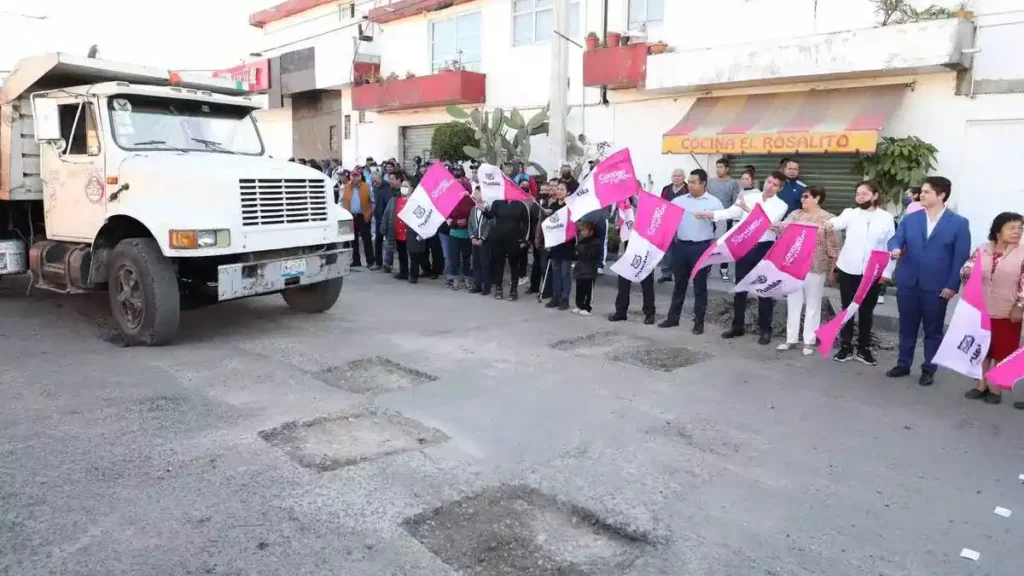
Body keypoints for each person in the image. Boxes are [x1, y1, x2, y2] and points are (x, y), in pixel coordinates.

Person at [887, 176, 972, 387]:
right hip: (908, 281)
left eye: (926, 192)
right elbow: (896, 238)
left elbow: (960, 257)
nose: (921, 195)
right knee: (907, 326)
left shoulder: (959, 223)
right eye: (921, 192)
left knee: (933, 330)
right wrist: (895, 248)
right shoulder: (911, 219)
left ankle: (929, 368)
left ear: (941, 194)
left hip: (936, 286)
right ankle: (903, 363)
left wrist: (952, 285)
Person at [696, 171, 789, 345]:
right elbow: (732, 211)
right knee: (740, 288)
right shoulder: (752, 196)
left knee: (764, 289)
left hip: (763, 247)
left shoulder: (781, 205)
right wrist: (710, 215)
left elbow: (767, 222)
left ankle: (765, 330)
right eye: (769, 181)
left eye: (775, 185)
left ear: (780, 188)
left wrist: (747, 209)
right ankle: (737, 326)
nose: (770, 186)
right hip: (745, 245)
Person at [820, 181, 896, 364]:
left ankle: (863, 348)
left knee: (866, 311)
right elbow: (837, 222)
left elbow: (890, 247)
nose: (860, 197)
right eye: (857, 194)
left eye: (864, 193)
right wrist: (830, 223)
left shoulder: (886, 218)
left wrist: (887, 272)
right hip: (849, 270)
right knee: (847, 309)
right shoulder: (850, 214)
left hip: (873, 272)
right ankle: (846, 347)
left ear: (875, 195)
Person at [960, 212, 1024, 405]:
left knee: (1003, 350)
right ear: (998, 231)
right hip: (980, 307)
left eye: (1020, 228)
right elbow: (967, 269)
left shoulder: (1022, 253)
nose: (1017, 232)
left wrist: (1019, 305)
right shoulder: (983, 249)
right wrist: (968, 271)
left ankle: (996, 388)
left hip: (1007, 309)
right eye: (1012, 228)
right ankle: (981, 384)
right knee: (980, 349)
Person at [774, 186, 841, 355]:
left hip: (816, 266)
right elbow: (783, 228)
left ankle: (809, 341)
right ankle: (791, 339)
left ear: (817, 198)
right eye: (802, 197)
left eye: (806, 197)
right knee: (793, 301)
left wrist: (834, 268)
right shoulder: (796, 215)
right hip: (794, 265)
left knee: (813, 303)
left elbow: (834, 245)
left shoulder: (829, 219)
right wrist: (772, 224)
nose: (802, 200)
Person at [659, 169, 723, 334]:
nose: (690, 185)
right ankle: (673, 318)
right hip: (681, 247)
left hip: (701, 248)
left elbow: (721, 228)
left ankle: (699, 322)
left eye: (694, 182)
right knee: (679, 284)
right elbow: (667, 219)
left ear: (703, 183)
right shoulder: (679, 201)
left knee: (699, 287)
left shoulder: (714, 202)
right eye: (690, 181)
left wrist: (714, 248)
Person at [609, 195, 657, 325]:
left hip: (645, 248)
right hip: (628, 248)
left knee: (647, 283)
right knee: (623, 282)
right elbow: (616, 222)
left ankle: (649, 313)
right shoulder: (623, 205)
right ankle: (621, 312)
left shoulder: (649, 205)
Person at [485, 195, 530, 301]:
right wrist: (484, 210)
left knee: (514, 265)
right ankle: (499, 288)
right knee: (499, 264)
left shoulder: (521, 204)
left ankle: (514, 290)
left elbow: (526, 223)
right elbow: (490, 216)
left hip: (514, 239)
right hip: (498, 239)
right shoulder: (497, 202)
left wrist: (524, 239)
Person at [708, 159, 742, 282]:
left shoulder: (733, 183)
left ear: (727, 169)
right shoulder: (710, 182)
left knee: (724, 245)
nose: (718, 169)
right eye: (717, 167)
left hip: (725, 218)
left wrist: (732, 218)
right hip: (711, 217)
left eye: (721, 167)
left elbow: (735, 202)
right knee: (709, 243)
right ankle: (707, 268)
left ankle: (724, 270)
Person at [546, 180, 576, 310]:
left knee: (565, 273)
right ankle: (555, 297)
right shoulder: (553, 206)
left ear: (568, 192)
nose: (559, 191)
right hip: (555, 245)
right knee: (556, 272)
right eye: (558, 189)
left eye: (562, 189)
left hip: (567, 245)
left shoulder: (571, 207)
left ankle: (565, 299)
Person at [658, 169, 690, 283]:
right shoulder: (666, 189)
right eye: (674, 176)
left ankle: (680, 273)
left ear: (684, 177)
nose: (676, 178)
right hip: (667, 222)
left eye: (679, 176)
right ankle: (666, 273)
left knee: (681, 249)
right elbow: (661, 203)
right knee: (667, 249)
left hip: (683, 222)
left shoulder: (688, 189)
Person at [380, 180, 414, 282]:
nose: (404, 188)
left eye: (406, 186)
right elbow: (387, 214)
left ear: (411, 189)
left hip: (410, 232)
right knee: (402, 253)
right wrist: (384, 227)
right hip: (398, 231)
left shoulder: (415, 201)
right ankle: (403, 272)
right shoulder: (394, 200)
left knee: (413, 255)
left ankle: (413, 275)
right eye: (402, 186)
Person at [343, 170, 374, 268]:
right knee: (353, 240)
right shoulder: (346, 187)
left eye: (357, 176)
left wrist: (369, 214)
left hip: (363, 216)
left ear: (360, 177)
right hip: (351, 216)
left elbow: (373, 201)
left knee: (367, 239)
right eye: (353, 176)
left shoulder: (366, 186)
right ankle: (356, 261)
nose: (355, 178)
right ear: (351, 177)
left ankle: (370, 261)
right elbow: (341, 201)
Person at [445, 190, 474, 290]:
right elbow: (447, 218)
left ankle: (467, 280)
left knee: (467, 258)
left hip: (467, 234)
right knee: (454, 259)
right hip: (454, 234)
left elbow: (474, 216)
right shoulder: (451, 200)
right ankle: (455, 280)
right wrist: (456, 222)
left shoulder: (471, 200)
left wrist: (466, 222)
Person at [573, 222, 601, 316]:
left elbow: (590, 254)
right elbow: (576, 253)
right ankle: (579, 305)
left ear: (591, 231)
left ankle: (587, 307)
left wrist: (580, 249)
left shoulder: (595, 242)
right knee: (579, 288)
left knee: (588, 289)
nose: (582, 232)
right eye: (581, 230)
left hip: (589, 268)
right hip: (580, 268)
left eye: (584, 230)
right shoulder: (581, 240)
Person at [469, 187, 493, 295]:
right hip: (475, 240)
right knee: (476, 263)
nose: (474, 195)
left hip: (484, 241)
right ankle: (477, 285)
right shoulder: (473, 209)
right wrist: (472, 237)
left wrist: (483, 238)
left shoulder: (487, 208)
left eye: (477, 193)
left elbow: (490, 224)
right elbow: (470, 224)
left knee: (485, 263)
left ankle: (486, 287)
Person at [371, 171, 392, 271]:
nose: (374, 182)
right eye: (373, 180)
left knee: (389, 241)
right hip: (378, 217)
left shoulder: (387, 187)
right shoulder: (375, 187)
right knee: (378, 241)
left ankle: (388, 263)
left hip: (387, 218)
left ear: (380, 179)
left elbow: (388, 204)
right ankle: (378, 262)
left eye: (375, 180)